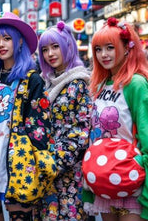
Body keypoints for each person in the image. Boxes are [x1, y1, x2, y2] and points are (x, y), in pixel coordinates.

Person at [0, 12, 54, 221]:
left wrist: (37, 165)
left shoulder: (32, 80)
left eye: (6, 39)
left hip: (17, 165)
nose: (0, 45)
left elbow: (39, 128)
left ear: (19, 41)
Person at [85, 17, 148, 221]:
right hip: (104, 180)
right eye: (98, 49)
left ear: (127, 47)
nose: (103, 55)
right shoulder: (100, 86)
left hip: (133, 181)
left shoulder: (136, 85)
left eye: (110, 47)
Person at [37, 21, 92, 220]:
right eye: (44, 49)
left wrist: (53, 162)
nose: (50, 53)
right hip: (46, 171)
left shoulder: (79, 82)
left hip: (70, 173)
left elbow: (82, 132)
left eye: (55, 47)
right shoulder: (47, 81)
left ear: (68, 46)